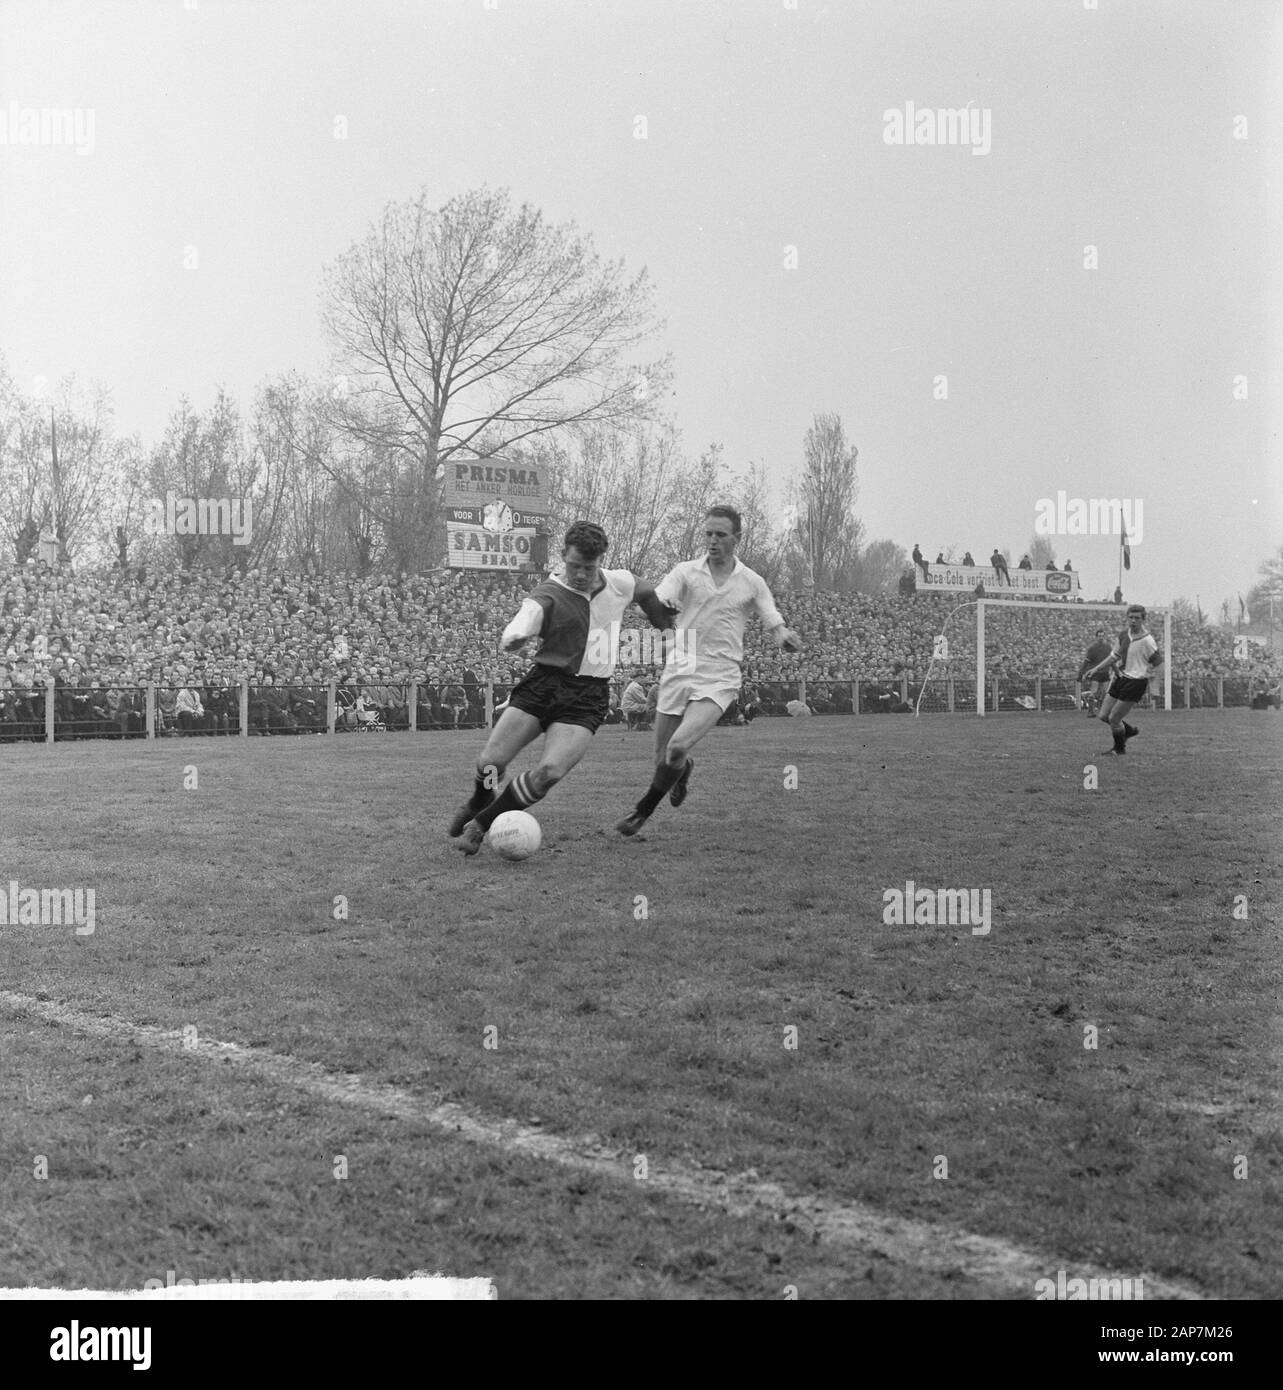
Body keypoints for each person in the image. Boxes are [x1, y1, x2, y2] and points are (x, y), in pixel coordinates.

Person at [448, 521, 673, 855]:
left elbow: (645, 591)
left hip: (587, 696)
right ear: (563, 556)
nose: (580, 574)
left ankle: (480, 825)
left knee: (550, 772)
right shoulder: (548, 594)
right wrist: (515, 637)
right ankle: (481, 797)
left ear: (601, 561)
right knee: (491, 762)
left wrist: (663, 621)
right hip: (543, 685)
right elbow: (525, 620)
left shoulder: (619, 582)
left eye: (588, 567)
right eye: (573, 566)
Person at [615, 505, 802, 836]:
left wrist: (784, 635)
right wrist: (659, 608)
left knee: (677, 745)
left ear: (736, 538)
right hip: (680, 666)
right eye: (708, 534)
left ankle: (641, 812)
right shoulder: (686, 571)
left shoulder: (751, 581)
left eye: (720, 535)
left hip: (721, 674)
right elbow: (660, 598)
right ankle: (682, 771)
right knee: (663, 759)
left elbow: (772, 619)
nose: (713, 541)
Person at [1084, 604, 1164, 755]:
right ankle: (1128, 731)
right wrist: (1096, 668)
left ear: (1143, 620)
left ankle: (1119, 750)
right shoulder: (1123, 635)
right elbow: (1114, 656)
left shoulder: (1147, 641)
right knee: (1103, 716)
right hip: (1121, 678)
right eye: (1131, 617)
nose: (1133, 621)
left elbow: (1159, 664)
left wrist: (1155, 686)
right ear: (1127, 618)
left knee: (1114, 718)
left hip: (1136, 682)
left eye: (1137, 618)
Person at [1077, 628, 1114, 716]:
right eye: (1099, 636)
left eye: (1102, 636)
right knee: (1093, 692)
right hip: (1095, 673)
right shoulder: (1092, 648)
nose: (1101, 637)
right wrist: (1080, 674)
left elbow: (1111, 661)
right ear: (1096, 637)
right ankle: (1090, 712)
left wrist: (1117, 671)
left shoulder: (1108, 647)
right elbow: (1086, 662)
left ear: (1104, 637)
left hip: (1105, 673)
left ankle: (1104, 710)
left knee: (1107, 692)